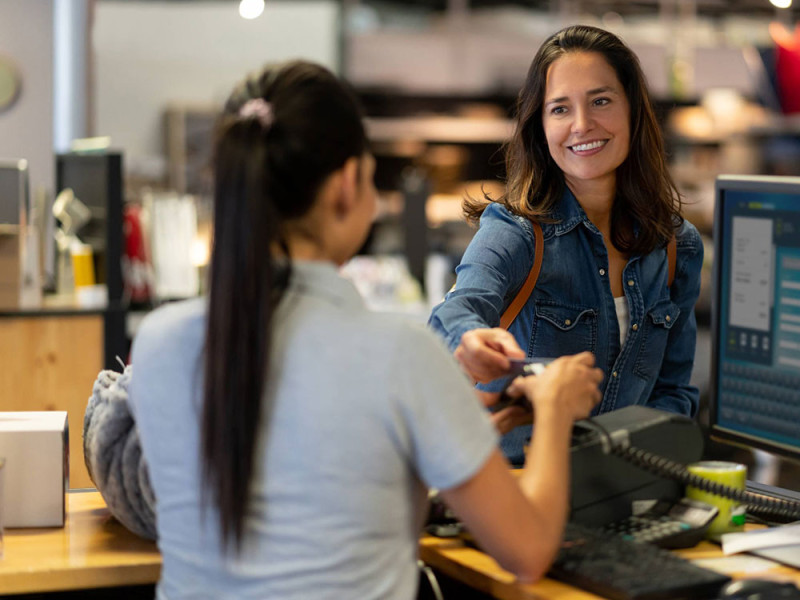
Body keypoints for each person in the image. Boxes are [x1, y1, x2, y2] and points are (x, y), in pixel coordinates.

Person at [127, 60, 603, 599]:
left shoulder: (160, 342)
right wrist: (558, 411)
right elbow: (529, 550)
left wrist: (450, 438)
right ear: (347, 182)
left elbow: (315, 490)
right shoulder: (400, 354)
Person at [428, 24, 704, 465]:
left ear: (632, 109)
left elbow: (673, 393)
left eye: (600, 101)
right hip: (519, 492)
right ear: (540, 125)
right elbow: (455, 312)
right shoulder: (516, 231)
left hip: (624, 495)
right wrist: (470, 341)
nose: (582, 125)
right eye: (560, 109)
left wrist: (642, 467)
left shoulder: (678, 248)